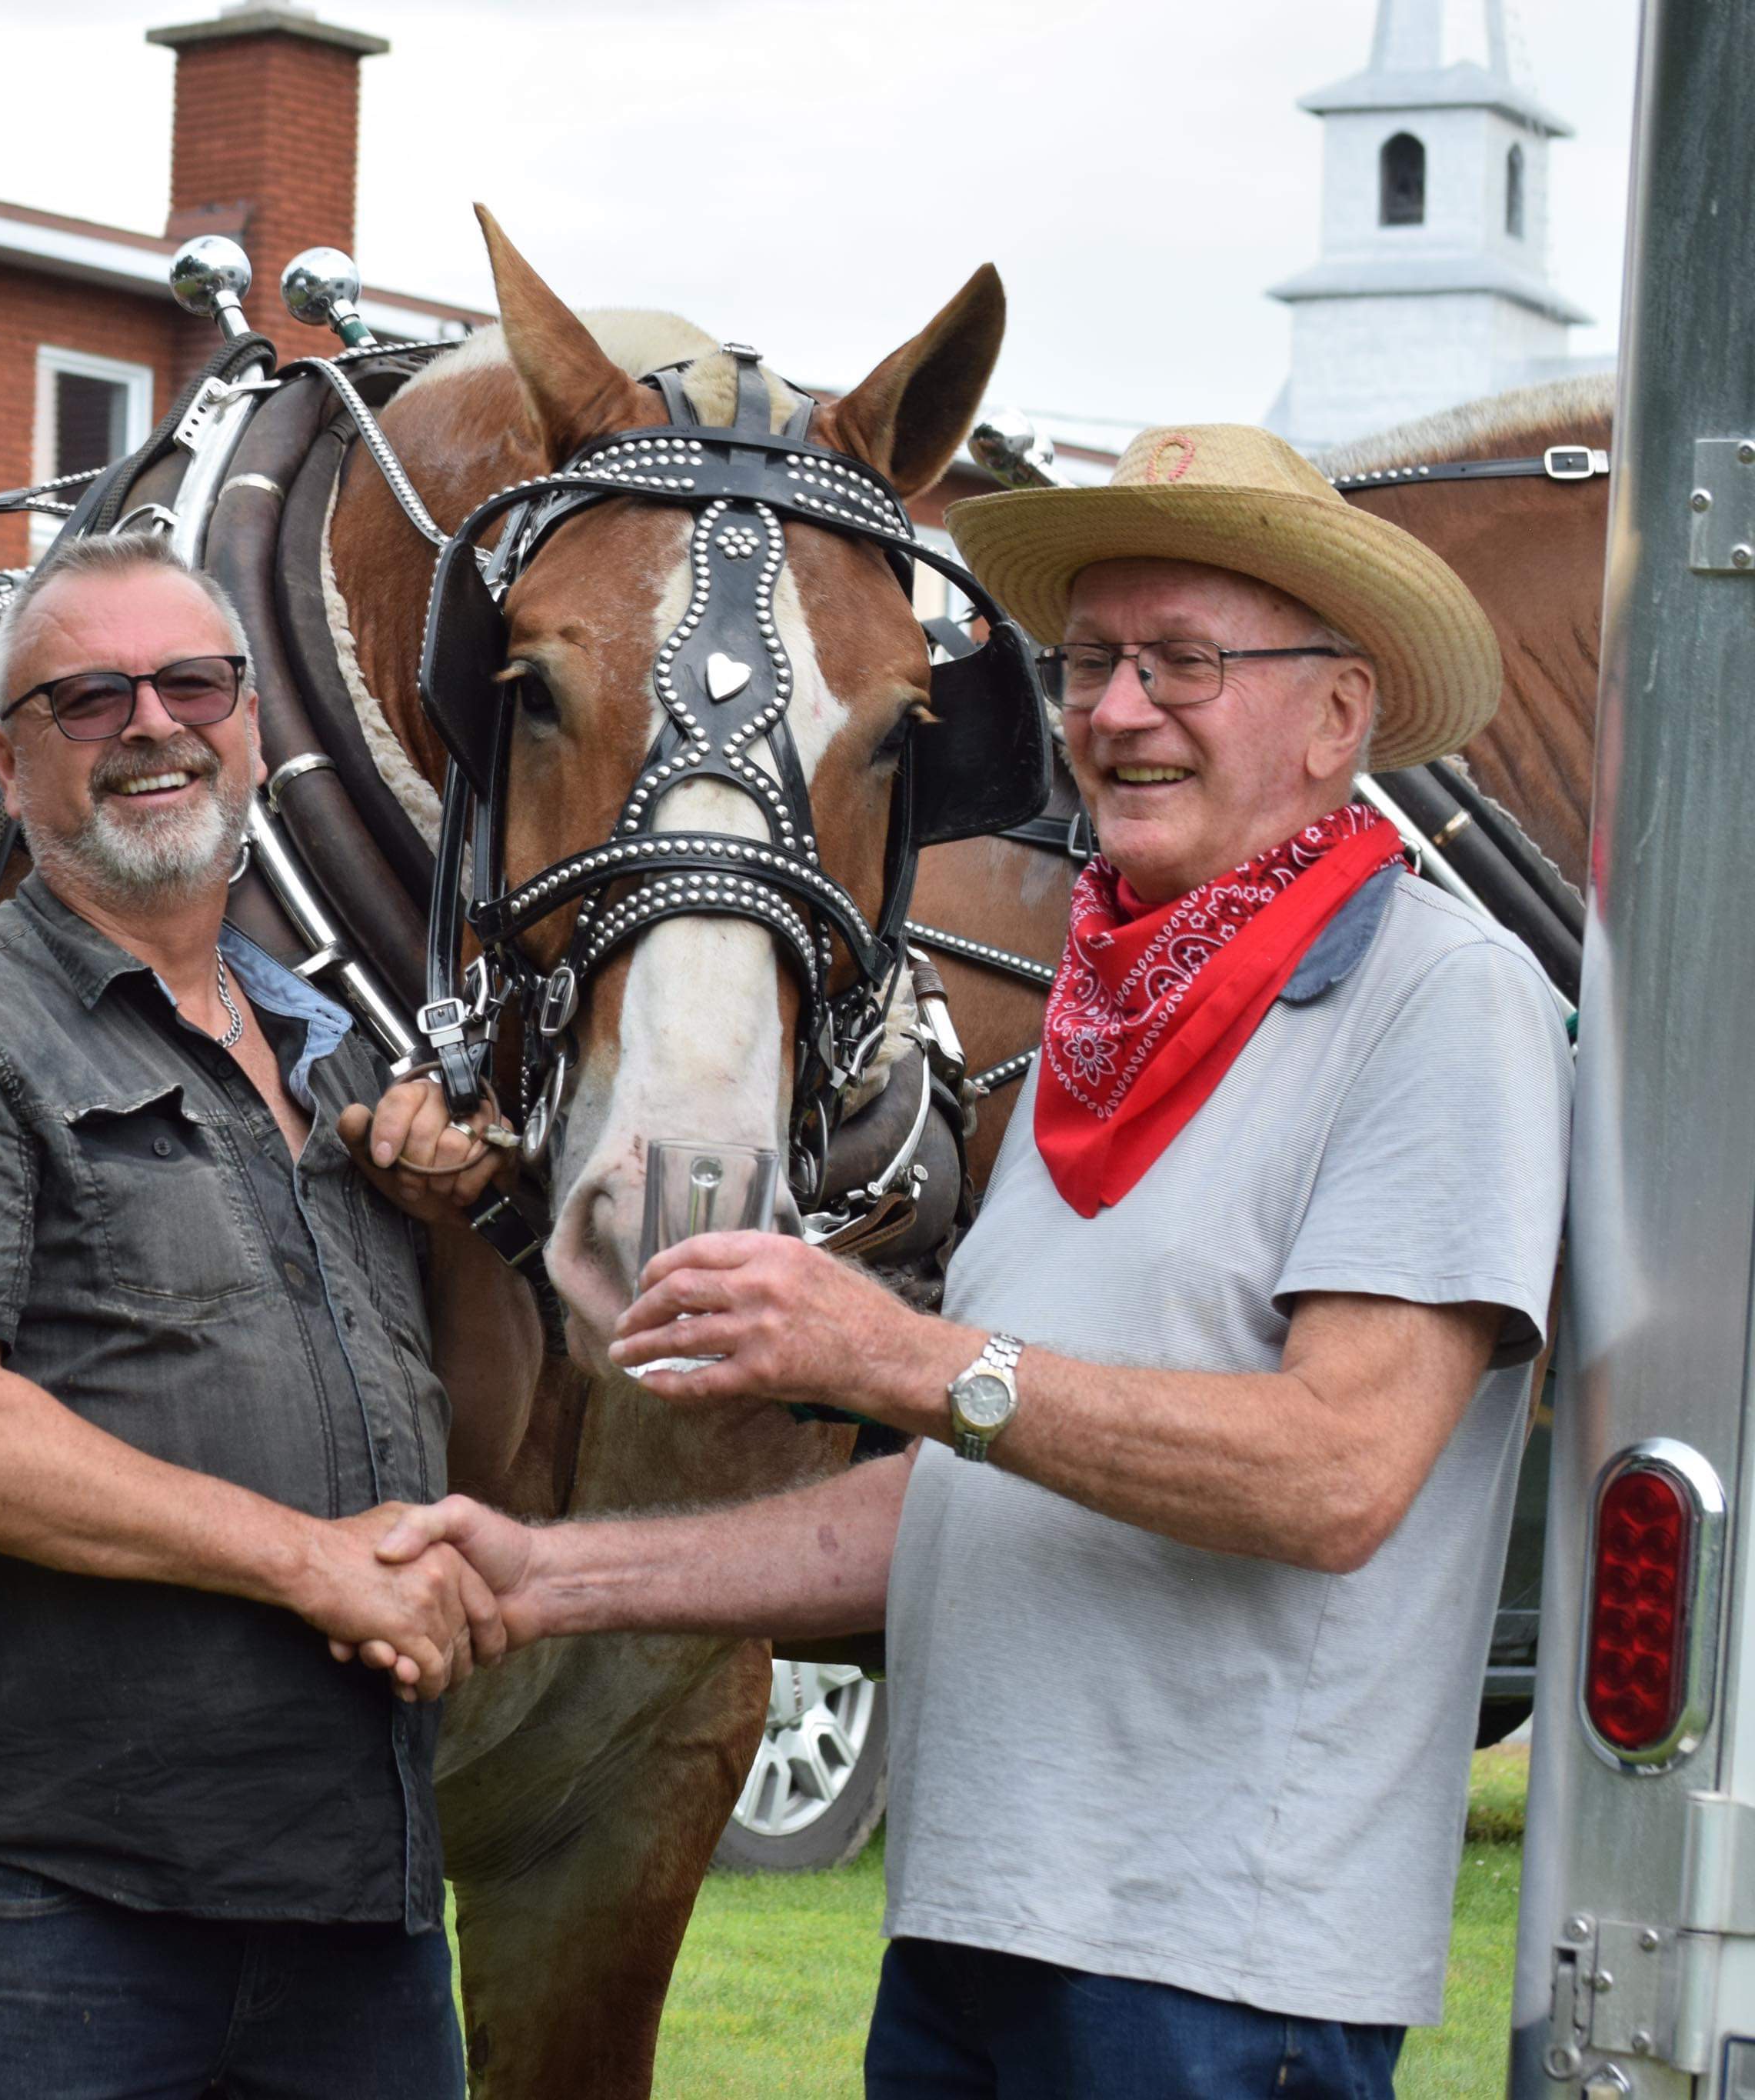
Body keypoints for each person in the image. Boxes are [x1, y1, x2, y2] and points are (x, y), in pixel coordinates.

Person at [378, 426, 1571, 2100]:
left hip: (1213, 1980)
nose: (1116, 711)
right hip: (975, 1943)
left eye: (1183, 663)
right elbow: (986, 1497)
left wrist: (893, 1360)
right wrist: (550, 1576)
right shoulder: (1100, 1027)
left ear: (1335, 717)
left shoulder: (1436, 1002)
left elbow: (1337, 1470)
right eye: (1084, 664)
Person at [0, 532, 540, 2098]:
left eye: (190, 683)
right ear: (7, 764)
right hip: (58, 1909)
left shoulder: (340, 1058)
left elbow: (468, 1437)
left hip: (360, 1902)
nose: (150, 722)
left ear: (250, 728)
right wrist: (310, 1565)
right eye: (86, 698)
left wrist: (463, 1233)